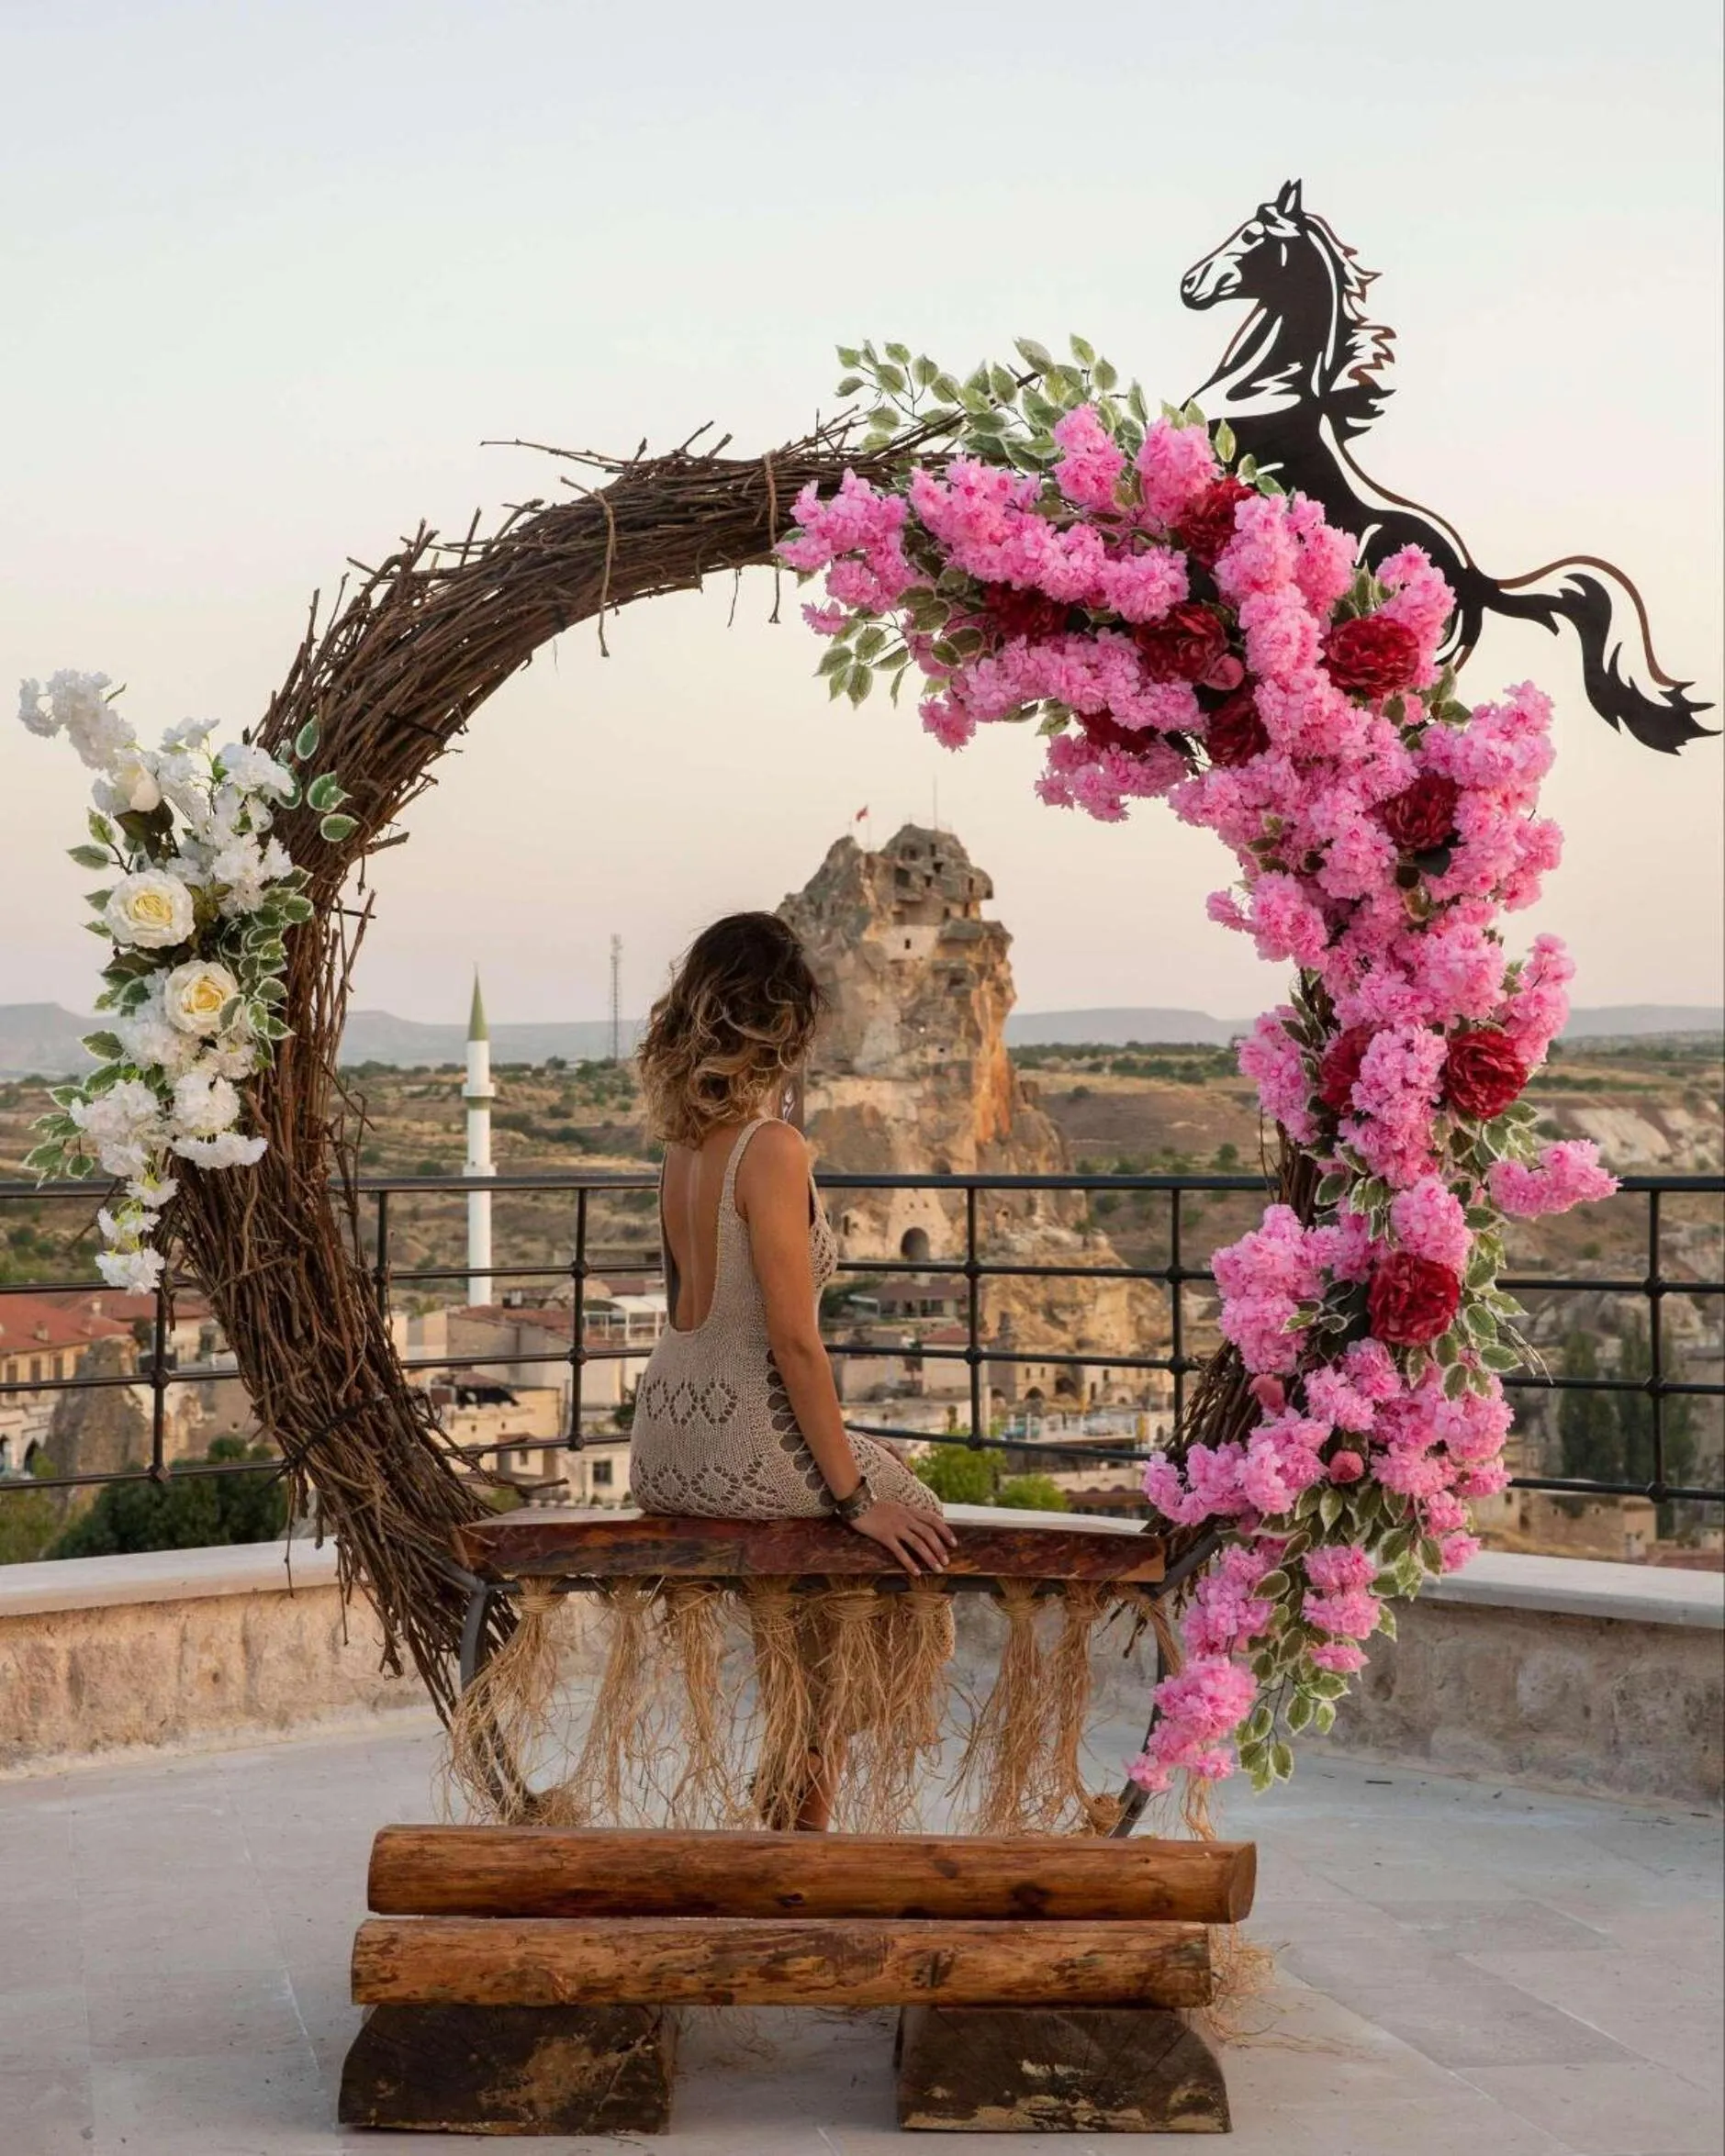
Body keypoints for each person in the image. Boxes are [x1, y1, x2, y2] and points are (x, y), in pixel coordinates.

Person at [630, 910, 957, 1582]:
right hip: (739, 1444)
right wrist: (859, 1502)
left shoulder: (681, 1149)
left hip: (662, 1439)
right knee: (920, 1523)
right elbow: (793, 1344)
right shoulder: (770, 1150)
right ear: (788, 1022)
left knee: (882, 1461)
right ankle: (844, 1662)